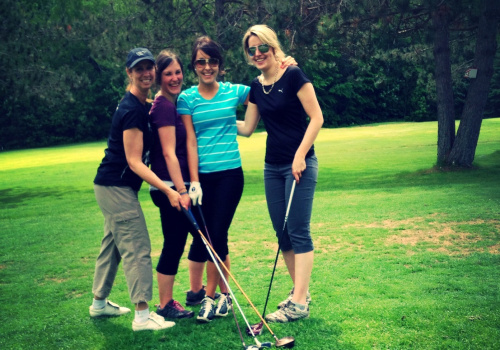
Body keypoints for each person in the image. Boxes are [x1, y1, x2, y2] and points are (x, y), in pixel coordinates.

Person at [90, 48, 181, 331]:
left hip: (110, 185)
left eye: (149, 67)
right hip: (116, 186)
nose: (146, 73)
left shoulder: (139, 104)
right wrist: (169, 190)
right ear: (129, 72)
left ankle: (99, 303)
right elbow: (133, 161)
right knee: (137, 247)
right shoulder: (132, 110)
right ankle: (142, 315)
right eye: (138, 69)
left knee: (113, 245)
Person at [238, 25, 323, 323]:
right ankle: (300, 294)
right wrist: (211, 119)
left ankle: (298, 302)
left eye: (263, 47)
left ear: (273, 47)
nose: (258, 53)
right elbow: (247, 128)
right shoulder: (255, 86)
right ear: (248, 55)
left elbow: (317, 117)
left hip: (299, 165)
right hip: (271, 167)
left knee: (299, 232)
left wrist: (300, 155)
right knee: (282, 233)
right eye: (252, 50)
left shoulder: (293, 75)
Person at [148, 49, 212, 319]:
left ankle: (195, 293)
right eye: (168, 73)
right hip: (170, 188)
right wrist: (181, 192)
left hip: (176, 186)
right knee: (178, 242)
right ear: (159, 77)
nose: (175, 78)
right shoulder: (162, 106)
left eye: (177, 72)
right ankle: (166, 304)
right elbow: (168, 153)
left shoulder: (170, 103)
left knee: (193, 238)